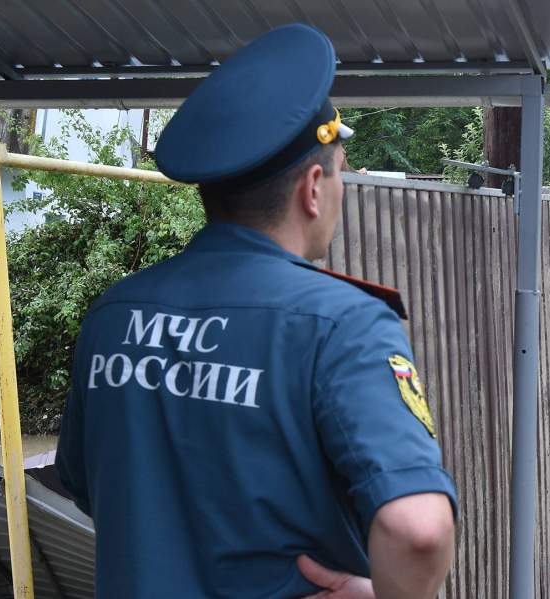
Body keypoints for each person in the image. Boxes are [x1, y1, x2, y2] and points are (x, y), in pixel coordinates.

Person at [55, 24, 457, 599]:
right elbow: (419, 531)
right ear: (313, 189)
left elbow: (87, 482)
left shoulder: (113, 315)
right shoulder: (343, 324)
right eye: (341, 172)